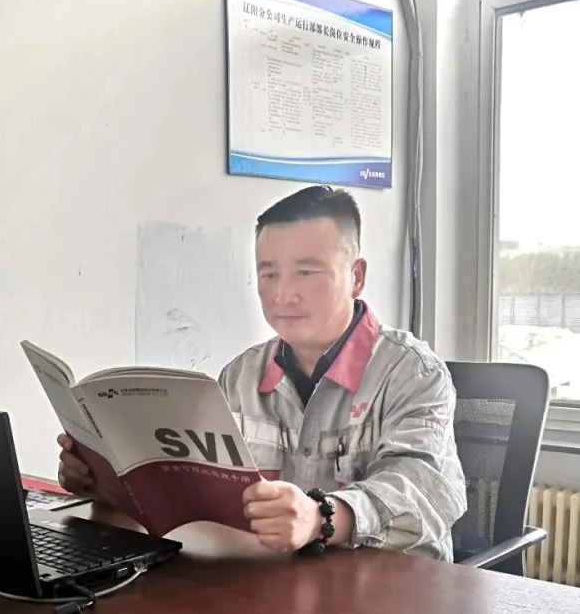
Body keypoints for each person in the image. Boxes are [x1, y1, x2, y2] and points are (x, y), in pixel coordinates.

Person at [56, 185, 467, 561]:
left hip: (394, 590)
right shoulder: (239, 377)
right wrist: (106, 480)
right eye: (269, 274)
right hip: (280, 585)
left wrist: (322, 517)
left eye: (306, 272)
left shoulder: (413, 372)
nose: (283, 294)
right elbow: (201, 497)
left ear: (356, 277)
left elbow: (423, 489)